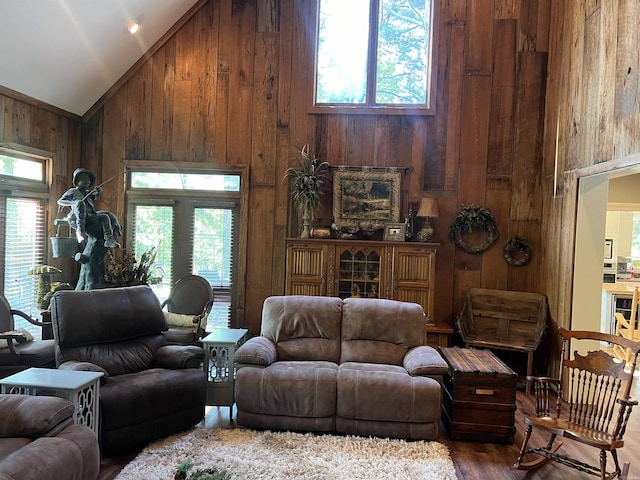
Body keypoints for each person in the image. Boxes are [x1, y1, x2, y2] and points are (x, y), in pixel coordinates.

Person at [57, 168, 121, 248]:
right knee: (104, 217)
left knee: (108, 215)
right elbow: (60, 201)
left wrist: (98, 191)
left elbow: (93, 195)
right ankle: (81, 231)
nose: (87, 181)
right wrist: (74, 202)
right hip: (80, 217)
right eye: (84, 179)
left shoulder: (88, 193)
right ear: (77, 181)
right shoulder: (73, 191)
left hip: (91, 215)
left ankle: (109, 239)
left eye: (88, 179)